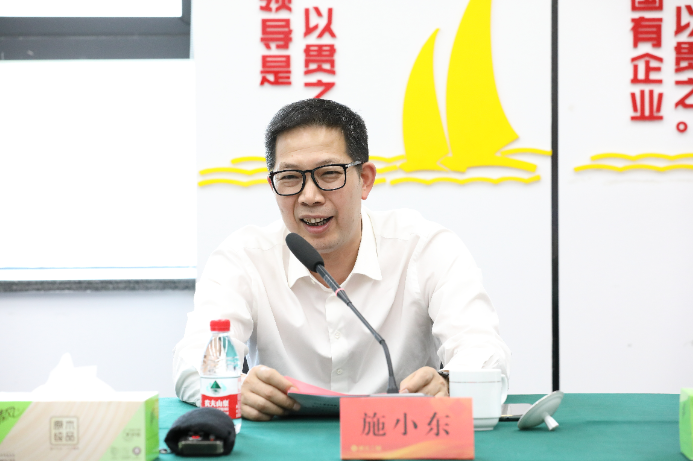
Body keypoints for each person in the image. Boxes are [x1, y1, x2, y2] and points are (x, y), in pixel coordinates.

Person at [173, 99, 510, 421]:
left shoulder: (425, 248)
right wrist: (237, 389)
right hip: (286, 444)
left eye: (329, 174)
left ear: (365, 180)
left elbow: (482, 348)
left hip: (401, 440)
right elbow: (192, 359)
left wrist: (450, 383)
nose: (309, 197)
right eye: (289, 177)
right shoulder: (243, 258)